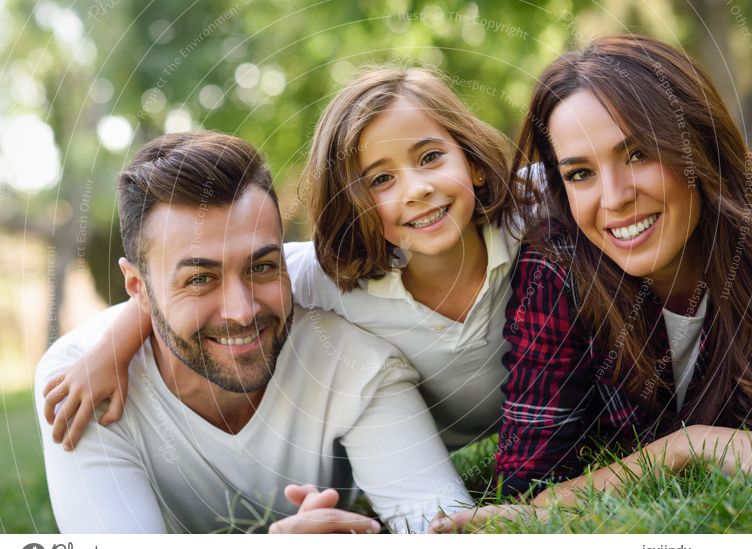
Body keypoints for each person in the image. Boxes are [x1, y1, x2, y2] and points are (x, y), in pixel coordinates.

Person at [43, 67, 522, 451]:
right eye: (380, 180)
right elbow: (206, 281)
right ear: (351, 204)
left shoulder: (534, 218)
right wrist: (111, 351)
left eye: (431, 157)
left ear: (474, 162)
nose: (417, 190)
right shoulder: (330, 277)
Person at [434, 35, 752, 531]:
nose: (615, 198)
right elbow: (526, 490)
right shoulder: (558, 271)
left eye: (638, 153)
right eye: (580, 173)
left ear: (699, 142)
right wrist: (684, 445)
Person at [35, 131, 470, 534]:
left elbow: (444, 534)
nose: (242, 312)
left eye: (261, 267)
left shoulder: (356, 364)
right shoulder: (80, 384)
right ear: (138, 289)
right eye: (200, 278)